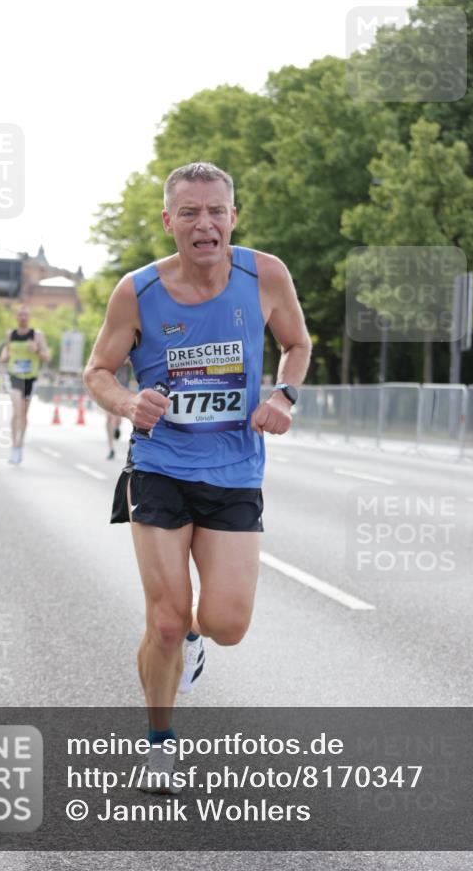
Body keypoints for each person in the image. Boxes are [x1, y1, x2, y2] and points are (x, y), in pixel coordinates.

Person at [83, 161, 311, 791]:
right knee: (163, 619)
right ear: (169, 221)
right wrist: (128, 401)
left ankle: (194, 633)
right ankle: (160, 742)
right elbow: (98, 371)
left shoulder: (266, 275)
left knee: (228, 624)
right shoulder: (137, 291)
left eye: (215, 211)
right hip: (159, 464)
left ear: (233, 217)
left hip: (235, 468)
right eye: (189, 212)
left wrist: (285, 395)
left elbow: (296, 343)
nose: (204, 223)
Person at [0, 305, 50, 465]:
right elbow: (6, 351)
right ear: (16, 317)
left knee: (23, 414)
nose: (23, 317)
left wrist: (37, 350)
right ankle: (14, 446)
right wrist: (3, 356)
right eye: (20, 315)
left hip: (30, 378)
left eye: (25, 315)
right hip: (14, 376)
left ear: (29, 317)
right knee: (17, 409)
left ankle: (20, 444)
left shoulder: (37, 335)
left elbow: (47, 357)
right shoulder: (10, 334)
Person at [105, 360, 133, 459]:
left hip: (122, 390)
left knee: (117, 419)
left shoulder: (128, 353)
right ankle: (111, 448)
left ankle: (117, 427)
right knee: (109, 419)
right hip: (110, 389)